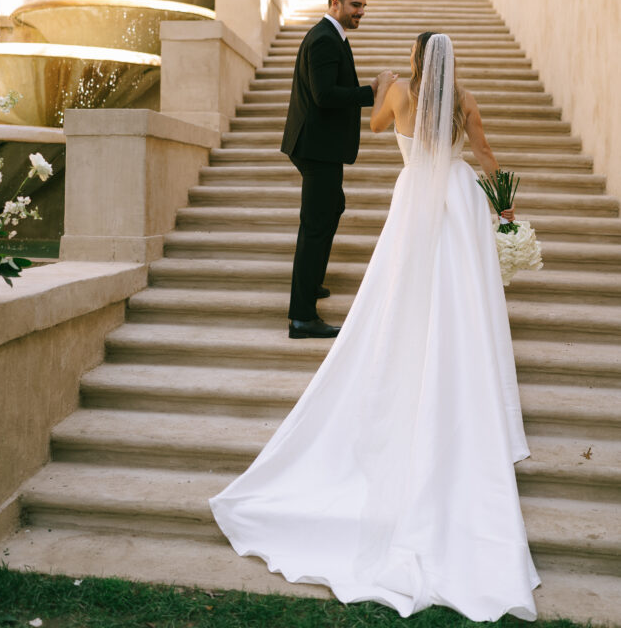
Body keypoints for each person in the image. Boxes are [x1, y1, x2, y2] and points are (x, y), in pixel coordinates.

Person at [210, 31, 540, 621]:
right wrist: (506, 206)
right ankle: (462, 378)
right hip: (461, 202)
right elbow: (485, 154)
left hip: (415, 198)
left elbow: (374, 132)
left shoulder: (400, 94)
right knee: (461, 294)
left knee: (403, 293)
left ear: (416, 61)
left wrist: (388, 87)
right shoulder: (464, 100)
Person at [280, 0, 393, 340]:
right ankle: (301, 317)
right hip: (316, 147)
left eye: (363, 6)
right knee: (315, 226)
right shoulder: (326, 39)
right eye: (355, 6)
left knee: (330, 210)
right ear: (335, 4)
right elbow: (325, 95)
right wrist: (372, 91)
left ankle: (311, 284)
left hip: (316, 145)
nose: (361, 12)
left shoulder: (330, 36)